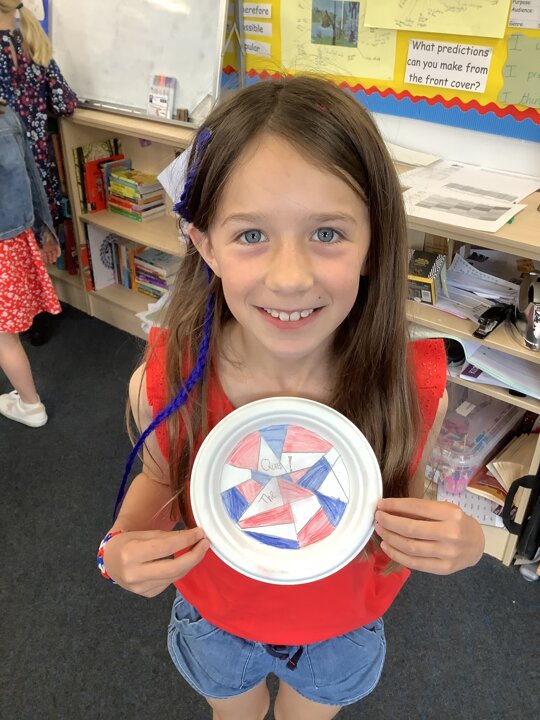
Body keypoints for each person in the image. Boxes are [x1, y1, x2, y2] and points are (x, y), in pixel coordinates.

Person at [98, 77, 485, 720]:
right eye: (251, 235)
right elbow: (160, 477)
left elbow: (403, 500)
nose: (289, 277)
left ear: (374, 244)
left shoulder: (415, 392)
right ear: (205, 244)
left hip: (341, 629)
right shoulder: (164, 382)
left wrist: (460, 541)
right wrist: (117, 549)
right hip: (216, 618)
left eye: (327, 233)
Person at [0, 0, 77, 344]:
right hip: (40, 165)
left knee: (13, 246)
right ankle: (40, 313)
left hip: (7, 169)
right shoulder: (33, 41)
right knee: (39, 234)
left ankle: (17, 315)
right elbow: (64, 103)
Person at [0, 100, 61, 427]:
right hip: (13, 240)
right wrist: (45, 230)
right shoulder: (5, 114)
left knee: (4, 337)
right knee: (6, 332)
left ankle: (30, 404)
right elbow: (32, 180)